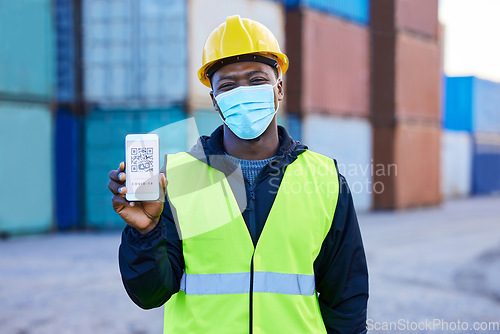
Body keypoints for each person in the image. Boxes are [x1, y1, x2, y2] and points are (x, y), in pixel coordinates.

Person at [108, 15, 368, 334]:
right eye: (228, 85)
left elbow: (346, 298)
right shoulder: (175, 178)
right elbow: (150, 294)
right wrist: (145, 234)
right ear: (216, 102)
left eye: (256, 79)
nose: (243, 92)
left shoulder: (324, 178)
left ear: (279, 88)